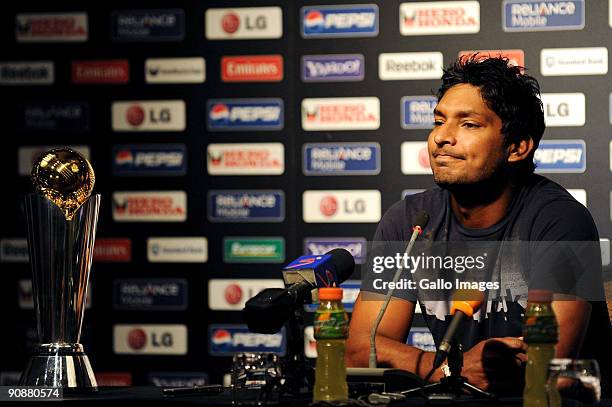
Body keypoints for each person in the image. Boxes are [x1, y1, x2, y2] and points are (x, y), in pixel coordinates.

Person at [346, 55, 611, 395]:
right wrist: (448, 369)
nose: (442, 137)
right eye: (439, 121)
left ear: (516, 147)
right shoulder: (410, 222)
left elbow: (546, 367)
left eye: (468, 124)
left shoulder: (560, 221)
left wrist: (429, 368)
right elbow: (360, 351)